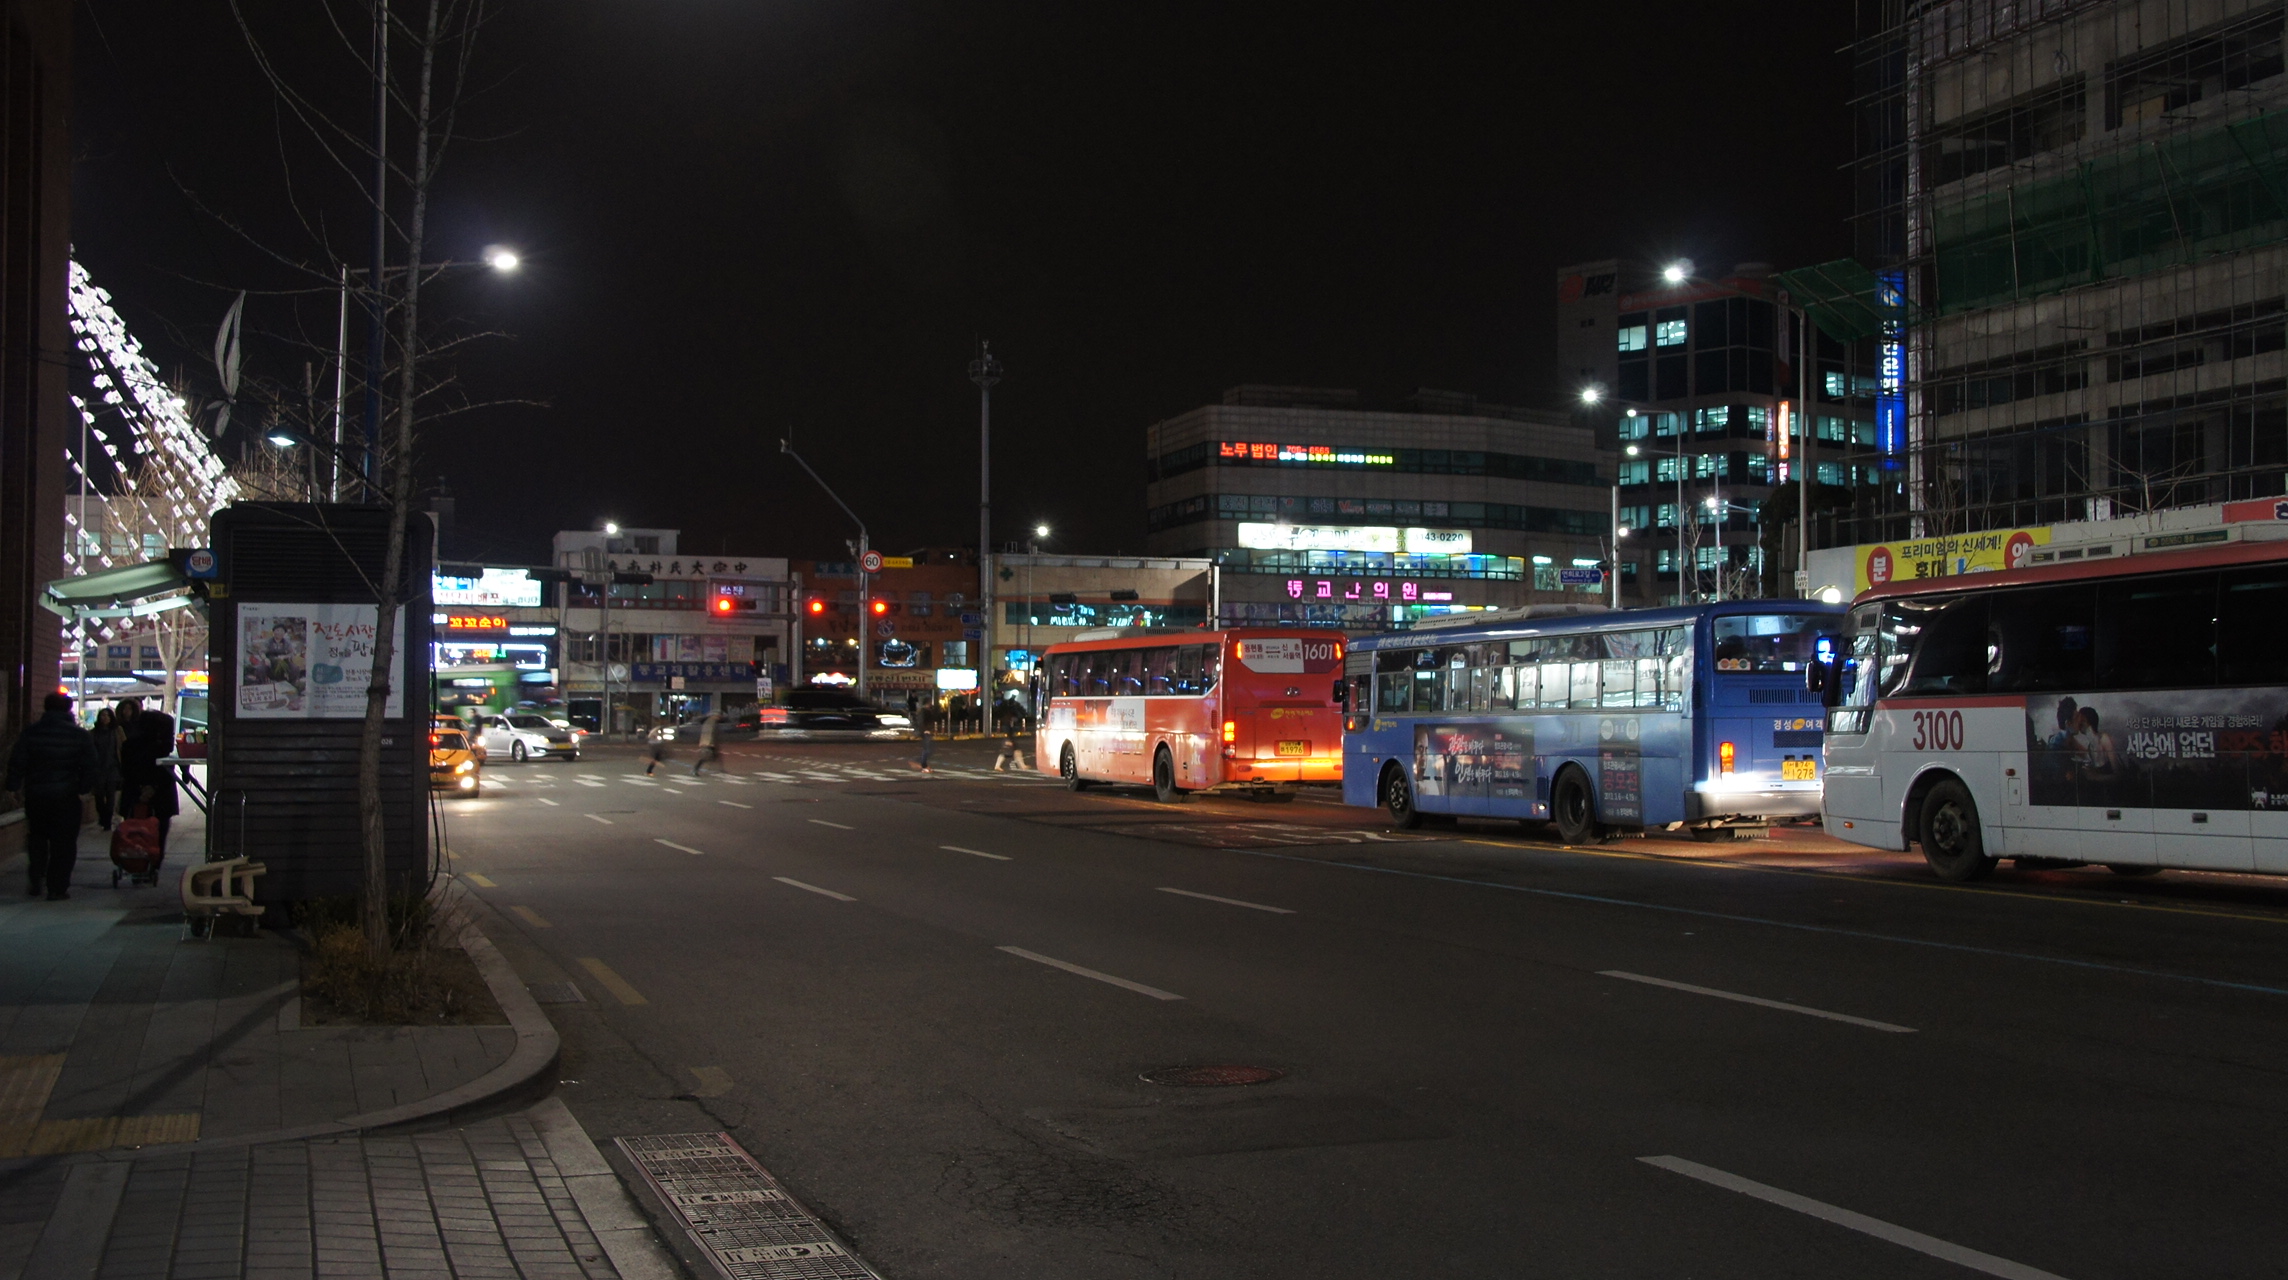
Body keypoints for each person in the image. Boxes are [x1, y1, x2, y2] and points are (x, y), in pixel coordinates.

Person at [5, 692, 97, 900]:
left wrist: (13, 787)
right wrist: (83, 789)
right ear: (68, 709)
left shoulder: (31, 733)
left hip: (37, 795)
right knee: (64, 843)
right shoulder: (79, 735)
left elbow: (17, 761)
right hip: (67, 796)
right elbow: (91, 766)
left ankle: (36, 877)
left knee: (37, 837)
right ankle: (57, 887)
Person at [118, 709, 182, 861]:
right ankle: (154, 862)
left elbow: (126, 770)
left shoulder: (129, 745)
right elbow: (166, 770)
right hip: (161, 794)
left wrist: (140, 788)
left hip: (134, 792)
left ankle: (133, 860)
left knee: (133, 828)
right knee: (159, 830)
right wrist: (153, 787)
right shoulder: (164, 746)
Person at [88, 708, 123, 830]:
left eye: (107, 715)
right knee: (99, 796)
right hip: (98, 768)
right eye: (103, 715)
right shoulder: (93, 733)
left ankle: (107, 820)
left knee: (110, 795)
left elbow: (123, 746)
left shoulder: (117, 731)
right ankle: (103, 817)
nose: (105, 718)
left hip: (113, 767)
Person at [692, 710, 723, 776]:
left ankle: (720, 769)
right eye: (717, 715)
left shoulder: (711, 722)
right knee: (705, 757)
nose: (719, 717)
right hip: (708, 743)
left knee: (715, 756)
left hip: (709, 742)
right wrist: (710, 743)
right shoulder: (710, 723)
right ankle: (695, 769)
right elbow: (709, 734)